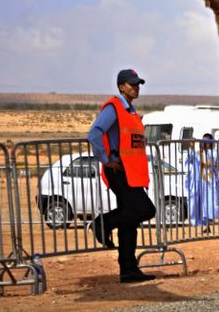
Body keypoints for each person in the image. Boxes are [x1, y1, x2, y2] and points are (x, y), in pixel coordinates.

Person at [87, 69, 157, 283]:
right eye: (131, 84)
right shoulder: (114, 107)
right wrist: (106, 160)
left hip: (130, 172)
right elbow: (94, 133)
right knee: (146, 209)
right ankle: (103, 223)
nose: (136, 87)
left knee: (129, 222)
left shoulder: (131, 111)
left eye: (138, 84)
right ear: (121, 87)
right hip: (118, 170)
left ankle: (128, 269)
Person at [184, 133, 219, 232]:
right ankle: (207, 226)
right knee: (204, 204)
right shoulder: (199, 153)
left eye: (206, 142)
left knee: (216, 202)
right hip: (201, 183)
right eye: (202, 141)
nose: (203, 143)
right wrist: (191, 147)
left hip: (211, 182)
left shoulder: (213, 153)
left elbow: (213, 163)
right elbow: (190, 159)